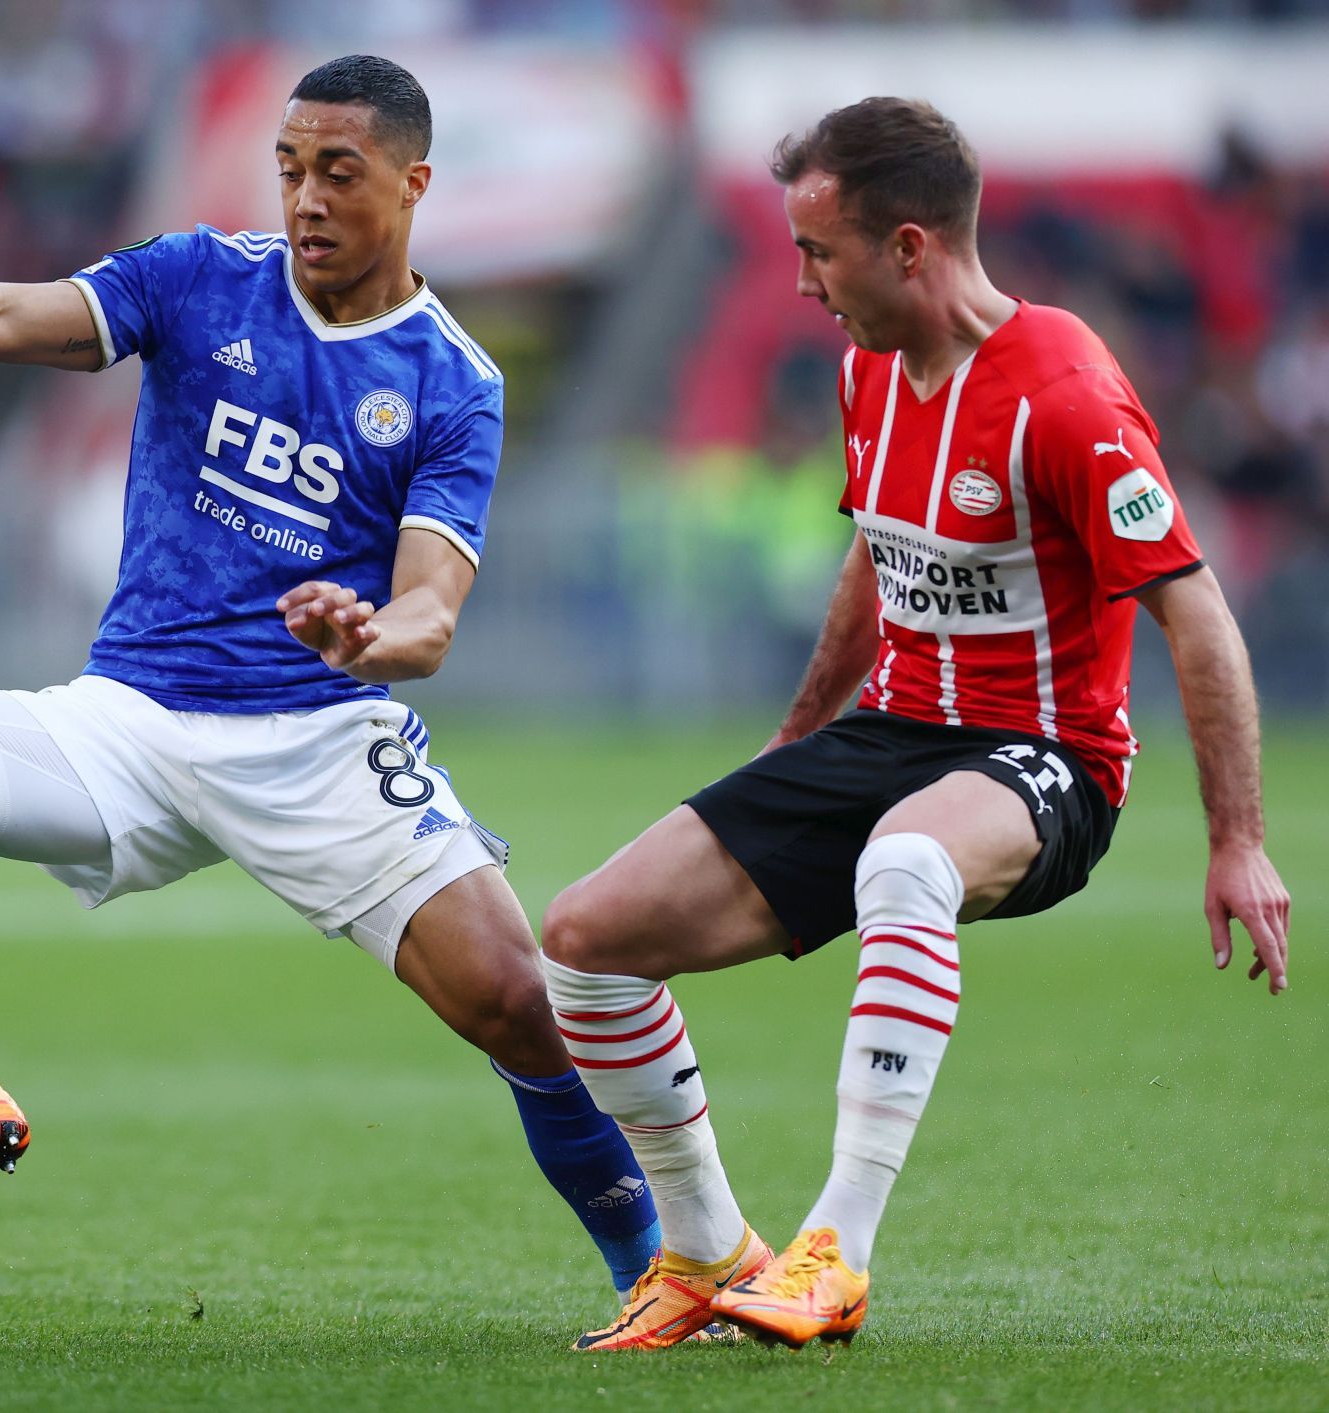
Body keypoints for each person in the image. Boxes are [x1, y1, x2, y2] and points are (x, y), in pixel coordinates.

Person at [0, 54, 662, 1301]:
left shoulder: (453, 381)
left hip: (317, 736)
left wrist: (367, 635)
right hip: (130, 718)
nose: (305, 197)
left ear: (413, 184)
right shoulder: (198, 278)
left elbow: (429, 614)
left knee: (521, 1005)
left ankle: (658, 1273)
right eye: (291, 167)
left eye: (338, 173)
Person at [540, 97, 1292, 1352]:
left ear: (906, 248)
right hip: (891, 732)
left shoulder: (1063, 396)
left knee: (906, 861)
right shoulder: (865, 372)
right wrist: (796, 741)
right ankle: (708, 1248)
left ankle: (837, 1251)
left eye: (819, 253)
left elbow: (1198, 614)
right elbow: (872, 560)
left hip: (1046, 761)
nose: (801, 283)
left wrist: (1239, 840)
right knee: (585, 940)